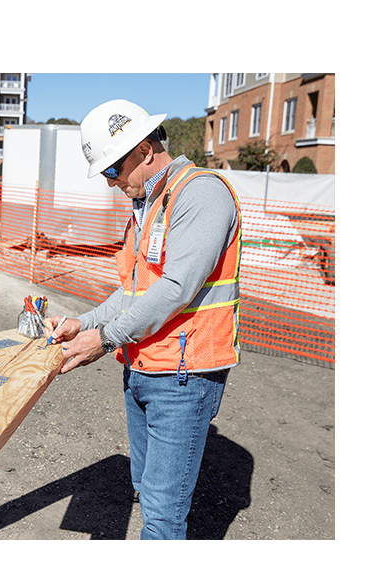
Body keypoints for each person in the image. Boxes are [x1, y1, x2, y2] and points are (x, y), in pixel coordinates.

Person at [43, 99, 242, 540]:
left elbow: (176, 288)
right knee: (144, 489)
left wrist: (105, 338)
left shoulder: (200, 194)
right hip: (143, 366)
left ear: (145, 150)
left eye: (113, 169)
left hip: (184, 377)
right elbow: (134, 291)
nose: (111, 181)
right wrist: (84, 322)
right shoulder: (148, 205)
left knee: (162, 515)